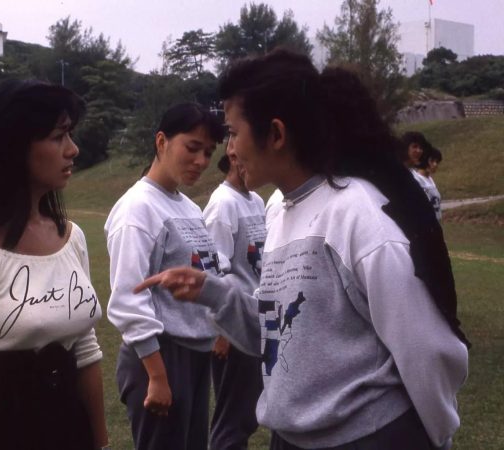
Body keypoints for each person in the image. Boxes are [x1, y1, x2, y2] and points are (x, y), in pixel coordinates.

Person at [135, 49, 470, 450]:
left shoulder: (359, 216)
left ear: (276, 134)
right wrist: (211, 290)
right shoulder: (282, 211)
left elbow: (426, 348)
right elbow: (277, 332)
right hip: (291, 439)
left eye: (233, 133)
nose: (231, 151)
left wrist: (434, 437)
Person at [0, 79, 109, 450]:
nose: (73, 150)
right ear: (13, 146)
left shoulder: (71, 237)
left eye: (71, 134)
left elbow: (86, 350)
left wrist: (101, 442)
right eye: (59, 136)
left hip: (71, 434)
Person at [105, 102, 225, 450]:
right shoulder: (138, 208)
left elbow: (209, 273)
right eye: (192, 148)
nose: (201, 161)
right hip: (160, 356)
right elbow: (129, 298)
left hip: (195, 353)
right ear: (161, 142)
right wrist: (157, 376)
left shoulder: (188, 207)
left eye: (207, 152)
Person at [203, 150, 266, 450]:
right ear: (236, 160)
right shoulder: (222, 205)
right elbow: (214, 270)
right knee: (232, 418)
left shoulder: (255, 200)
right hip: (233, 326)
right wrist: (222, 331)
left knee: (248, 413)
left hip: (255, 318)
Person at [414, 146, 444, 221]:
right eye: (432, 161)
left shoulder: (430, 179)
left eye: (437, 162)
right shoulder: (416, 180)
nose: (435, 164)